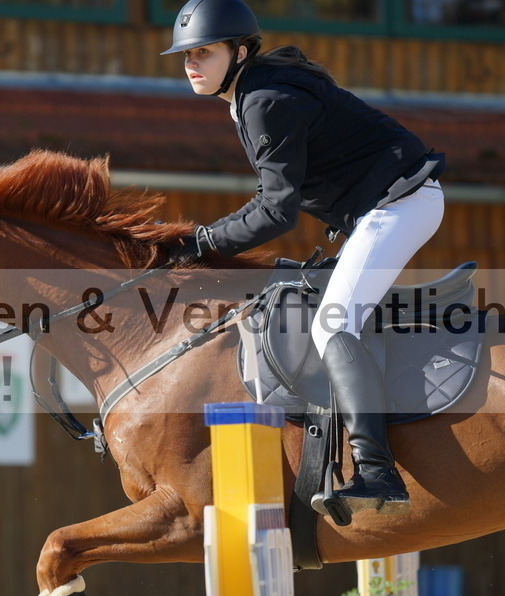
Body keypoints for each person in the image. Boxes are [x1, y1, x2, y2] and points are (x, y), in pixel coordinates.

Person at [162, 0, 446, 516]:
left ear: (240, 50)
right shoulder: (254, 89)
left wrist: (201, 243)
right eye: (185, 54)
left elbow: (276, 211)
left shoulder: (264, 99)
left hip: (399, 205)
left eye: (203, 52)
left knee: (333, 323)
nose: (191, 64)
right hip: (382, 208)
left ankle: (377, 470)